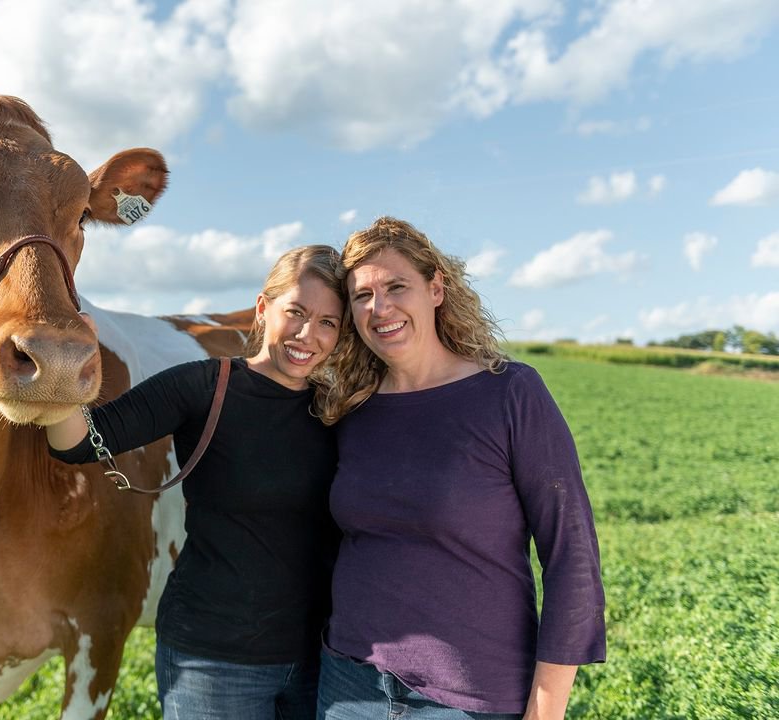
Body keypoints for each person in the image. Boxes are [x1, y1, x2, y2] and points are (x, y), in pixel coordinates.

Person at [316, 218, 606, 720]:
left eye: (396, 286)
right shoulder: (350, 409)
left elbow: (572, 556)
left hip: (471, 698)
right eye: (362, 296)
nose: (379, 307)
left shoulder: (509, 393)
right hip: (348, 685)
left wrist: (546, 707)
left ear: (435, 289)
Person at [46, 245, 345, 720]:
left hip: (320, 662)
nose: (309, 334)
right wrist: (62, 369)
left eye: (328, 322)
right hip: (213, 663)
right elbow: (81, 442)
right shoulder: (205, 386)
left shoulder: (339, 411)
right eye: (297, 312)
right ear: (264, 308)